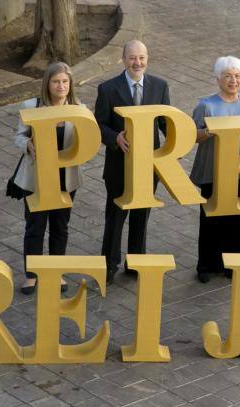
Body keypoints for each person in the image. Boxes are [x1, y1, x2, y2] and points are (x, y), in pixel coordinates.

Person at [95, 40, 170, 284]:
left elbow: (165, 123)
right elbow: (99, 125)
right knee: (115, 217)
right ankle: (108, 265)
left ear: (147, 58)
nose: (137, 62)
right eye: (132, 58)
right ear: (123, 59)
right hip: (119, 165)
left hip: (149, 166)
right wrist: (114, 137)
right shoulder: (107, 89)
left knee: (141, 216)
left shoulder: (160, 86)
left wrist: (181, 141)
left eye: (141, 57)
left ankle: (136, 262)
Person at [190, 56, 240, 283]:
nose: (233, 80)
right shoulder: (206, 105)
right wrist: (208, 132)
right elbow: (192, 136)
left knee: (236, 217)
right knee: (210, 217)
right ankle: (206, 264)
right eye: (227, 76)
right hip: (213, 170)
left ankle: (231, 264)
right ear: (218, 79)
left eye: (237, 76)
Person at [13, 62, 83, 294]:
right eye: (56, 81)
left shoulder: (79, 109)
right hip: (36, 178)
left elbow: (87, 139)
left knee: (60, 226)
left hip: (66, 178)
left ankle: (56, 272)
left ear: (70, 84)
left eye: (65, 81)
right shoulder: (31, 106)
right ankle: (32, 275)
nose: (61, 86)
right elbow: (18, 136)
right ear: (48, 84)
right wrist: (27, 144)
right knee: (35, 226)